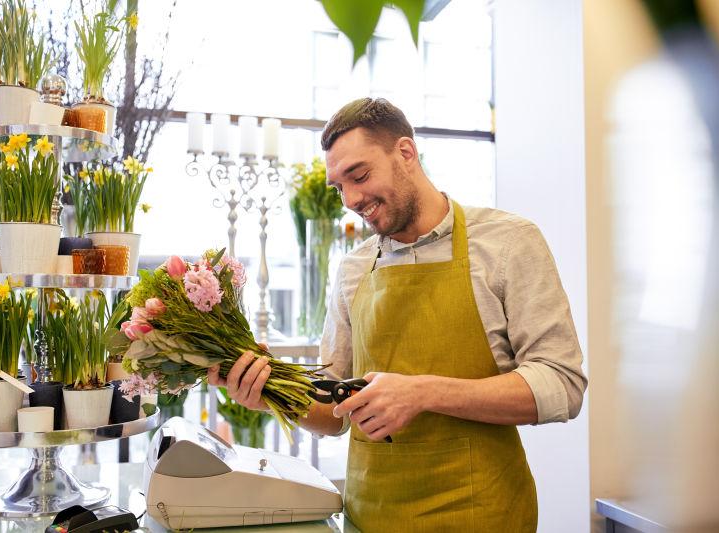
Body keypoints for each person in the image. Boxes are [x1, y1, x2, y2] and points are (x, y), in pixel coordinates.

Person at [208, 97, 587, 532]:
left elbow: (563, 384)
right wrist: (268, 390)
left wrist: (423, 393)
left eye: (360, 175)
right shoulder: (353, 269)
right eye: (339, 186)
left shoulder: (508, 243)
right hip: (373, 517)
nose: (350, 199)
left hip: (482, 513)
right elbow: (334, 408)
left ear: (406, 153)